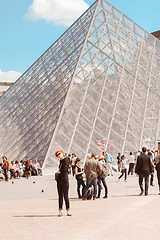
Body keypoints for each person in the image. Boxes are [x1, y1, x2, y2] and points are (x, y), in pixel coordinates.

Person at [55, 149, 71, 217]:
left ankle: (68, 210)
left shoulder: (66, 160)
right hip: (59, 181)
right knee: (60, 196)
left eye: (59, 154)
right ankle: (60, 211)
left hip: (65, 180)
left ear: (62, 153)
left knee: (66, 196)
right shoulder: (61, 161)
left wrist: (59, 172)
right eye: (57, 155)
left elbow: (65, 170)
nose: (58, 156)